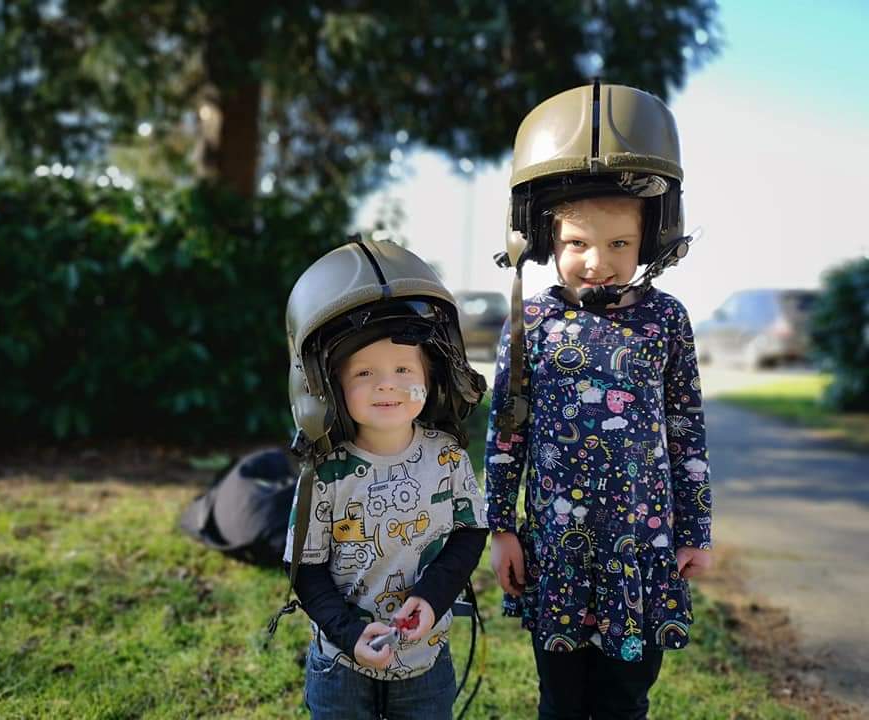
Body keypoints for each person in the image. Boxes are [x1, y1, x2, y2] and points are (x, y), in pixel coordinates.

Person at [485, 81, 713, 719]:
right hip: (558, 546)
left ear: (648, 242)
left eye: (618, 244)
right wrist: (502, 527)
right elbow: (507, 432)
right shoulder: (530, 322)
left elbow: (687, 430)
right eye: (578, 244)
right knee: (560, 699)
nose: (597, 262)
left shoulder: (667, 319)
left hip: (641, 548)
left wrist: (696, 531)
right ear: (547, 242)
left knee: (624, 697)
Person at [283, 236, 489, 720]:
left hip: (425, 660)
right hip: (340, 663)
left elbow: (469, 534)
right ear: (328, 386)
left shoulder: (448, 459)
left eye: (402, 367)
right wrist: (349, 635)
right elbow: (305, 571)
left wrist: (433, 595)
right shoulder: (326, 474)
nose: (387, 384)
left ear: (431, 376)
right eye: (364, 373)